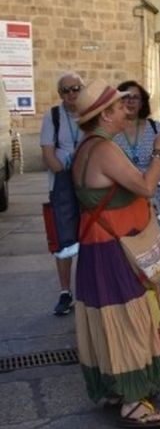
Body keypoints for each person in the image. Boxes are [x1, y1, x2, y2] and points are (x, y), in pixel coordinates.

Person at [71, 80, 160, 428]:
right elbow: (146, 186)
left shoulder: (86, 147)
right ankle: (133, 402)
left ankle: (117, 388)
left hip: (96, 248)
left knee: (107, 320)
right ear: (104, 115)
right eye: (117, 106)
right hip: (115, 249)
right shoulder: (104, 149)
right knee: (130, 318)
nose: (124, 110)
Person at [40, 72, 84, 316]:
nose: (71, 94)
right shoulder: (53, 116)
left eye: (76, 88)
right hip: (62, 181)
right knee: (63, 239)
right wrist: (63, 173)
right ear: (60, 94)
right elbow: (47, 153)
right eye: (66, 90)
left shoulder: (91, 113)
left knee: (90, 235)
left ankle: (89, 288)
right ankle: (65, 292)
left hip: (88, 182)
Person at [113, 81, 160, 235]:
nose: (131, 101)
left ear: (142, 102)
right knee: (130, 239)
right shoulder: (113, 130)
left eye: (135, 98)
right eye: (126, 97)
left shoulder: (155, 127)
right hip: (125, 193)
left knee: (158, 236)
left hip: (156, 191)